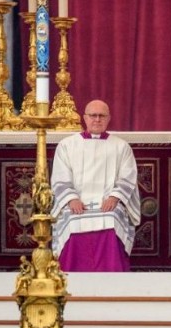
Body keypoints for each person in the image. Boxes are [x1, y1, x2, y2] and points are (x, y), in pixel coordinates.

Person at [50, 99, 141, 271]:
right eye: (93, 115)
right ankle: (69, 278)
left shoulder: (121, 147)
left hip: (108, 204)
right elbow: (60, 177)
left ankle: (112, 277)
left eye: (102, 116)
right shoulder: (67, 145)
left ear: (109, 119)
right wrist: (71, 199)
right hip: (77, 204)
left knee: (111, 220)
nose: (97, 119)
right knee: (72, 222)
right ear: (85, 118)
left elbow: (127, 177)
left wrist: (115, 197)